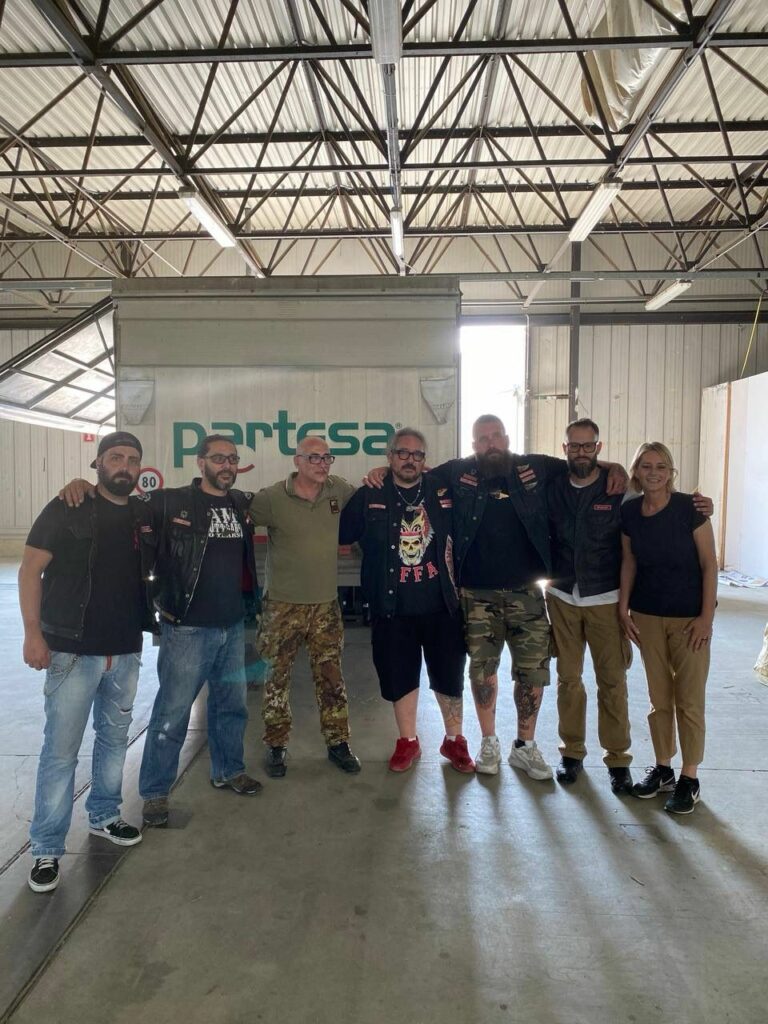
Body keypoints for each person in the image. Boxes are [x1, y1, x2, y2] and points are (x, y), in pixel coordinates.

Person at [369, 414, 626, 779]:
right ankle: (488, 741)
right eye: (483, 438)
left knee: (533, 671)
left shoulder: (535, 467)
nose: (490, 443)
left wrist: (615, 466)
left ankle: (524, 746)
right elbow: (414, 473)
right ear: (474, 444)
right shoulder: (458, 472)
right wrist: (383, 470)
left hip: (528, 592)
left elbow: (581, 462)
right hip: (476, 594)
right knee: (482, 671)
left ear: (506, 438)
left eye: (496, 436)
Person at [61, 434, 263, 828]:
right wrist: (84, 486)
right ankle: (155, 792)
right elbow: (117, 501)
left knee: (232, 707)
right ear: (201, 462)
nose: (227, 465)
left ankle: (229, 770)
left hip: (233, 624)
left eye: (233, 459)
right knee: (172, 713)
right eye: (218, 458)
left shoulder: (240, 503)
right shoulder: (168, 502)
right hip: (187, 628)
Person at [20, 432, 154, 893]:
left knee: (114, 742)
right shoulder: (67, 506)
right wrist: (33, 634)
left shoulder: (142, 514)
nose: (124, 465)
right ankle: (46, 847)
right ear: (98, 463)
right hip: (72, 653)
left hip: (126, 651)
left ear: (140, 469)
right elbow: (30, 569)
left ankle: (104, 815)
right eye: (115, 457)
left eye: (132, 459)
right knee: (60, 753)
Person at [340, 428, 473, 773]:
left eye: (417, 454)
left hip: (442, 605)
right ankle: (408, 741)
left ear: (425, 460)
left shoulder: (443, 490)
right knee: (399, 676)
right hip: (392, 609)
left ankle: (454, 740)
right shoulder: (370, 494)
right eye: (402, 453)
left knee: (450, 675)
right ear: (390, 456)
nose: (409, 460)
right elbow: (340, 532)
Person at [249, 436, 361, 778]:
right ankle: (276, 745)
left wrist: (382, 472)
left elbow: (369, 496)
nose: (322, 464)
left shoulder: (338, 490)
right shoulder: (271, 499)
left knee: (331, 679)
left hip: (325, 606)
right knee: (276, 679)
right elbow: (234, 515)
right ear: (297, 460)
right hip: (281, 607)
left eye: (327, 458)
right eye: (314, 458)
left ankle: (338, 743)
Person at [619, 442, 717, 815]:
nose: (654, 473)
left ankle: (689, 778)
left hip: (689, 618)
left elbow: (709, 564)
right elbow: (629, 561)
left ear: (671, 472)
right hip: (647, 616)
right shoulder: (630, 512)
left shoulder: (690, 509)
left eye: (661, 466)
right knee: (658, 699)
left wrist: (706, 617)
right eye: (646, 466)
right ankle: (663, 770)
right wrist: (624, 607)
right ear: (636, 471)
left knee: (689, 700)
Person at [546, 418, 634, 794]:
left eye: (588, 446)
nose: (581, 452)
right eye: (574, 446)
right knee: (569, 680)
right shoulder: (552, 487)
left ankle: (618, 759)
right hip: (562, 597)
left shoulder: (618, 489)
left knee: (612, 681)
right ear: (564, 449)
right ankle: (572, 753)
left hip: (606, 598)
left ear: (599, 448)